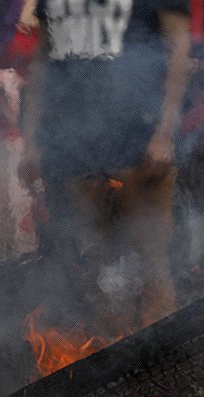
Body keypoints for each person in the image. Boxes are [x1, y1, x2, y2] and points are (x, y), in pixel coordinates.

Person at [21, 0, 192, 329]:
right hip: (72, 144)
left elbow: (178, 50)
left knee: (151, 265)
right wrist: (30, 139)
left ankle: (164, 358)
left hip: (138, 141)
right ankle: (118, 352)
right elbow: (42, 60)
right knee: (98, 269)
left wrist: (164, 133)